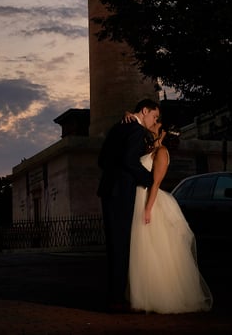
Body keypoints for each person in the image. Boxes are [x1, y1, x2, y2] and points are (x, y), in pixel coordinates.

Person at [126, 121, 213, 313]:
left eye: (157, 122)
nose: (153, 123)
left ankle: (161, 297)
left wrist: (148, 208)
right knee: (144, 251)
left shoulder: (162, 152)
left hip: (150, 201)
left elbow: (156, 182)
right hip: (140, 198)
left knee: (155, 250)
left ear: (162, 132)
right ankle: (143, 296)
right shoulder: (150, 149)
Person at [97, 98, 159, 313]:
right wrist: (150, 180)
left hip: (108, 190)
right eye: (154, 116)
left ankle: (114, 295)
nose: (154, 121)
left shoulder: (117, 128)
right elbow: (130, 161)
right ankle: (116, 299)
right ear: (144, 111)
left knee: (115, 246)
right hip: (122, 193)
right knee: (122, 245)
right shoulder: (136, 131)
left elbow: (102, 160)